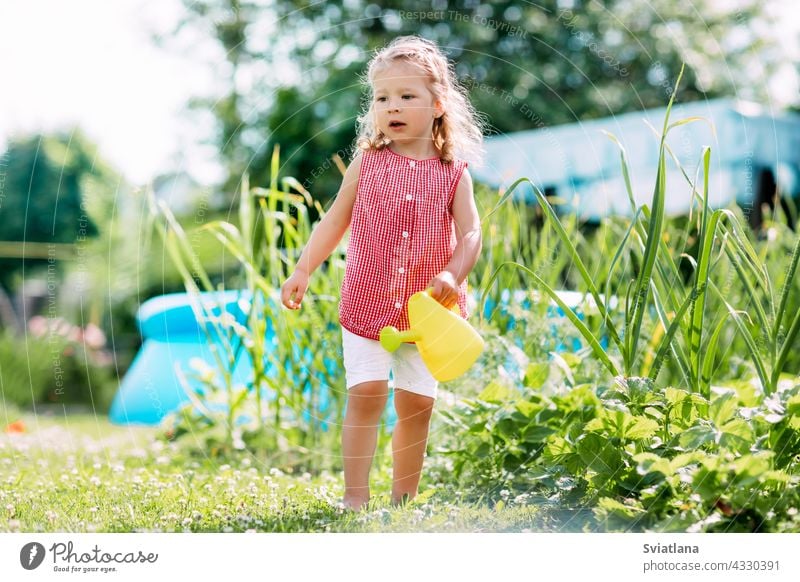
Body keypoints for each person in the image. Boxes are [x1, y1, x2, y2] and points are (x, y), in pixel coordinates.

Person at [280, 35, 485, 511]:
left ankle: (404, 500)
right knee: (367, 392)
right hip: (367, 302)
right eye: (381, 97)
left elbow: (472, 234)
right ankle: (355, 498)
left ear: (437, 104)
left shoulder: (455, 171)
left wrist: (453, 276)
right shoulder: (368, 162)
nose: (391, 106)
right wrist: (303, 269)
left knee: (417, 404)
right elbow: (335, 219)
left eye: (406, 96)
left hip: (428, 314)